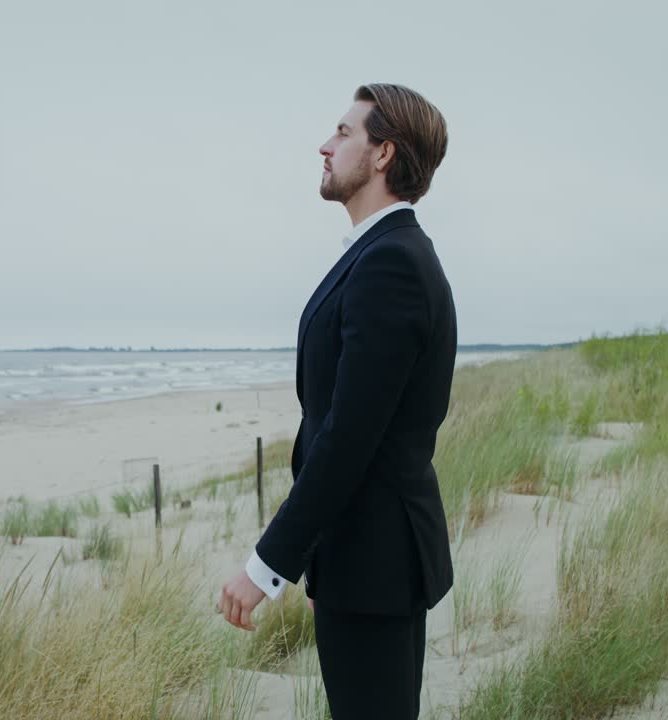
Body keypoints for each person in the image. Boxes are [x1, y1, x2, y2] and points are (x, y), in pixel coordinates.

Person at [217, 83, 456, 719]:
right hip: (359, 560)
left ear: (384, 155)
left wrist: (268, 566)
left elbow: (349, 436)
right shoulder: (380, 255)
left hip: (376, 564)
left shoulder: (392, 265)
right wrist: (323, 560)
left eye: (345, 133)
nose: (326, 145)